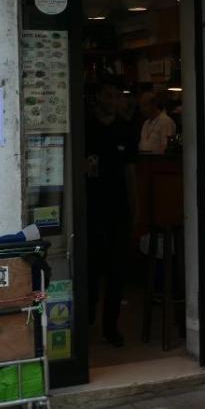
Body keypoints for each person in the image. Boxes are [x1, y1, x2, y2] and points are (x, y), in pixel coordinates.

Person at [85, 82, 135, 347]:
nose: (113, 100)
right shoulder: (86, 127)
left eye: (117, 95)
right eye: (108, 95)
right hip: (90, 207)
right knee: (91, 267)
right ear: (98, 97)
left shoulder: (124, 129)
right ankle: (87, 314)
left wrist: (135, 208)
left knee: (117, 270)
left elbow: (130, 171)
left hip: (119, 209)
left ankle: (110, 326)